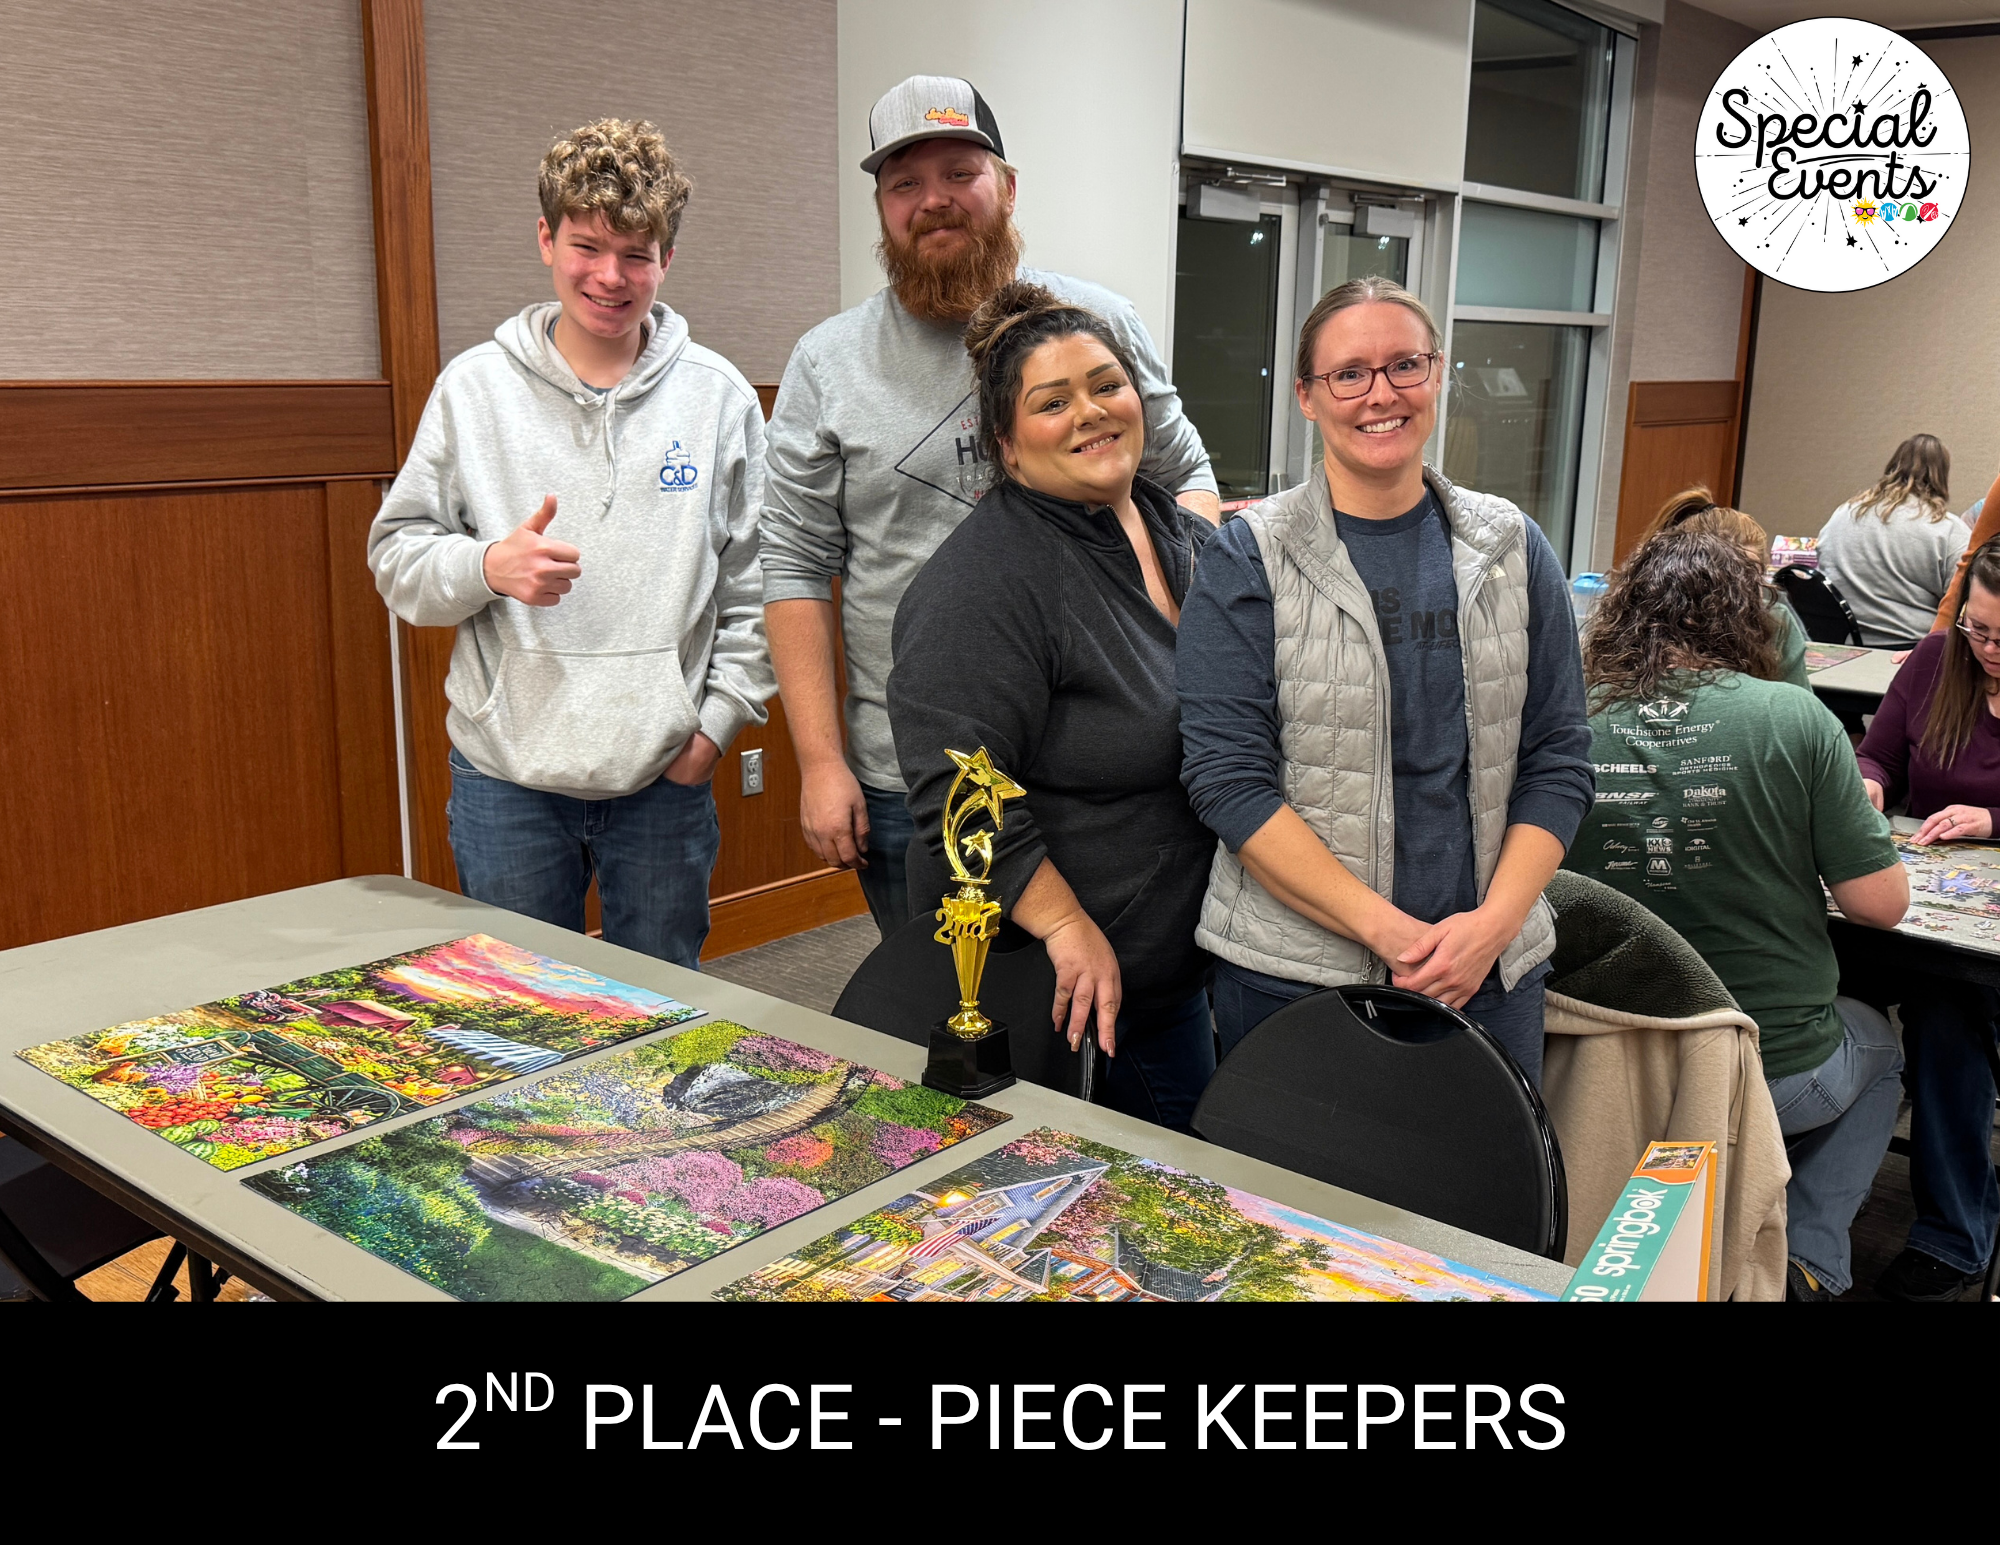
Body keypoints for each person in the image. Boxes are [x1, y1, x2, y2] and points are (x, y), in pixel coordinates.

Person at [760, 75, 1219, 937]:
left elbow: (1186, 480)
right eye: (904, 183)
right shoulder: (829, 363)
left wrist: (1171, 647)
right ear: (883, 209)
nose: (933, 200)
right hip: (918, 778)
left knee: (1130, 1006)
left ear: (1006, 187)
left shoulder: (1097, 323)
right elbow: (789, 563)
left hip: (1114, 772)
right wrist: (822, 762)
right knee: (951, 1027)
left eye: (959, 172)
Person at [367, 120, 773, 967]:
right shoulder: (473, 389)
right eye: (588, 246)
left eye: (638, 253)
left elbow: (759, 586)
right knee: (518, 1021)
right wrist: (486, 566)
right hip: (506, 775)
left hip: (666, 775)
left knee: (666, 1017)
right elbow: (398, 556)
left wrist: (711, 733)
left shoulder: (719, 398)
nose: (611, 276)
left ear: (666, 259)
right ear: (546, 239)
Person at [1177, 276, 1593, 1087]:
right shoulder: (1247, 558)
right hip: (1296, 977)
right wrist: (1397, 937)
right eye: (1349, 373)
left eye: (1405, 365)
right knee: (1297, 1213)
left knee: (1480, 1210)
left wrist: (1490, 928)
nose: (1382, 394)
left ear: (1439, 373)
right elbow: (1229, 783)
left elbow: (1558, 757)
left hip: (1489, 974)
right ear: (1306, 394)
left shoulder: (1511, 545)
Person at [888, 284, 1215, 1130]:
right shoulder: (986, 580)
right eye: (1052, 402)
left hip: (1174, 962)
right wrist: (1066, 924)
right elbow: (955, 788)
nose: (1091, 413)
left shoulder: (1173, 528)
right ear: (1006, 443)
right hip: (1063, 980)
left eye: (1107, 385)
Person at [1567, 526, 1909, 1301]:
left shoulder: (1569, 724)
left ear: (1624, 616)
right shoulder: (1796, 720)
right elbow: (1879, 905)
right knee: (1881, 1046)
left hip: (1608, 1066)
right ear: (1750, 621)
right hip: (1770, 1065)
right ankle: (1808, 1265)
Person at [1855, 535, 2000, 1299]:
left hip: (1977, 949)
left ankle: (1953, 1233)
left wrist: (1993, 816)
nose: (1987, 649)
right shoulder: (1938, 657)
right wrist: (1871, 786)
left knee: (1952, 1016)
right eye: (1978, 629)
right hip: (1913, 907)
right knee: (1822, 980)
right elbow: (1878, 755)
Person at [1630, 486, 1809, 689]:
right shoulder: (1650, 620)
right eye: (1725, 577)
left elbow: (1804, 708)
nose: (1738, 589)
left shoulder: (1776, 619)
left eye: (1749, 574)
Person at [1816, 434, 1970, 648]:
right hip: (1911, 649)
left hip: (1840, 646)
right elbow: (1965, 598)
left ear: (1893, 466)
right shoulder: (1948, 528)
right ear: (1942, 474)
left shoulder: (1843, 513)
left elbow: (1822, 563)